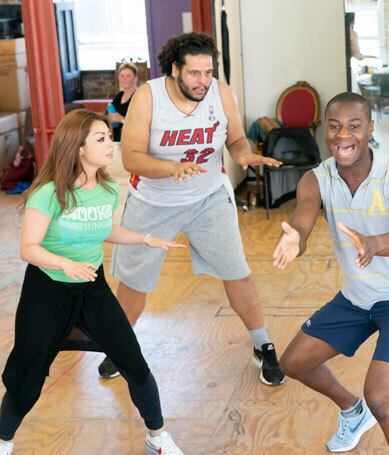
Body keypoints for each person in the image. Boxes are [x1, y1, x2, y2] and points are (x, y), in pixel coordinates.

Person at [102, 32, 286, 386]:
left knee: (238, 272)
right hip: (153, 202)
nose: (203, 81)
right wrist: (172, 168)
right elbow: (131, 158)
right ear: (175, 70)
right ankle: (118, 346)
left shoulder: (221, 92)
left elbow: (234, 138)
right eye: (194, 74)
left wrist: (244, 154)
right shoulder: (148, 97)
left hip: (208, 199)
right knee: (133, 283)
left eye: (208, 72)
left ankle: (263, 346)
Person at [0, 109, 184, 455]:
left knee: (133, 362)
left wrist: (145, 239)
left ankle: (157, 435)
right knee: (28, 374)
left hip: (92, 287)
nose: (109, 143)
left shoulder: (108, 190)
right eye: (101, 138)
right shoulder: (49, 193)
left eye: (109, 137)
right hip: (48, 289)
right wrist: (64, 264)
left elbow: (104, 228)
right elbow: (28, 249)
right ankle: (3, 441)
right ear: (78, 148)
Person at [274, 92, 389, 455]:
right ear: (324, 131)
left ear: (370, 129)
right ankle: (351, 410)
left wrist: (374, 243)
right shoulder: (316, 180)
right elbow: (302, 219)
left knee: (381, 397)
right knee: (294, 363)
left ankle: (368, 409)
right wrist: (294, 240)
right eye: (334, 126)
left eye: (353, 126)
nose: (342, 135)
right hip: (358, 295)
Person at [346, 12, 380, 149]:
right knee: (359, 106)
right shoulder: (351, 32)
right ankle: (368, 137)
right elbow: (357, 55)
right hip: (347, 72)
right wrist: (370, 56)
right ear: (352, 22)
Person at [108, 62, 139, 142]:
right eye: (122, 76)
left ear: (135, 78)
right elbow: (110, 115)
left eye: (128, 76)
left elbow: (142, 125)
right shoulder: (119, 96)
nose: (124, 79)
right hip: (116, 139)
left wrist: (121, 119)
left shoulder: (139, 96)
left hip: (133, 140)